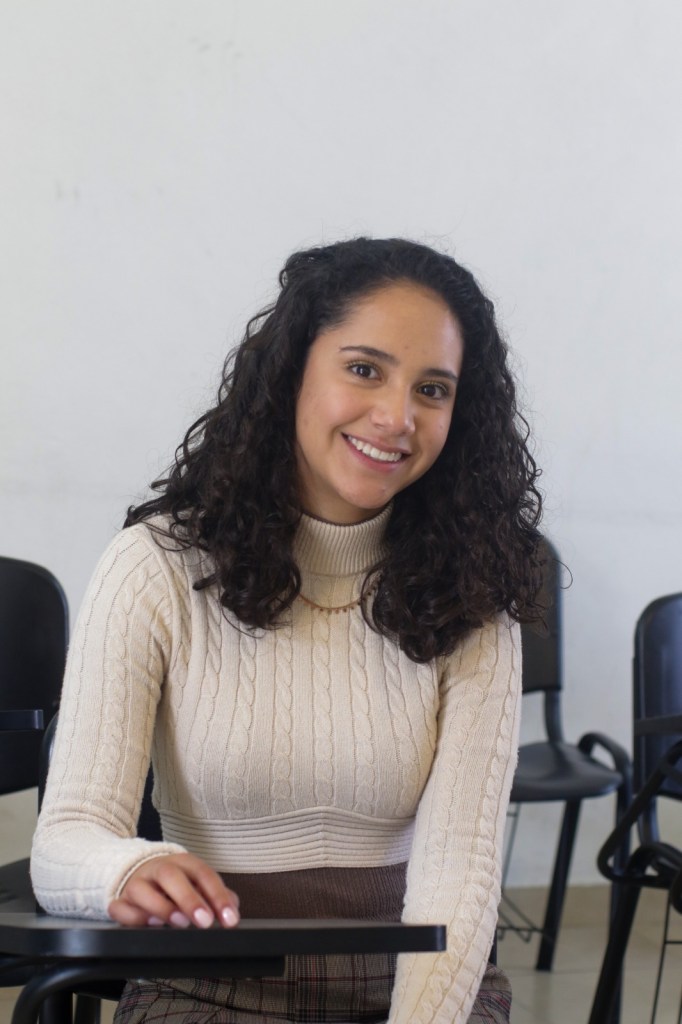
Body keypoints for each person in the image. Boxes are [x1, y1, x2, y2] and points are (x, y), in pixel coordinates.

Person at [31, 237, 543, 1024]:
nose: (397, 417)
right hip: (202, 983)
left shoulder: (473, 594)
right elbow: (66, 838)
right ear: (292, 370)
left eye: (433, 389)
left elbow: (460, 874)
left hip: (416, 984)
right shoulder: (156, 567)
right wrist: (125, 869)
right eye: (364, 369)